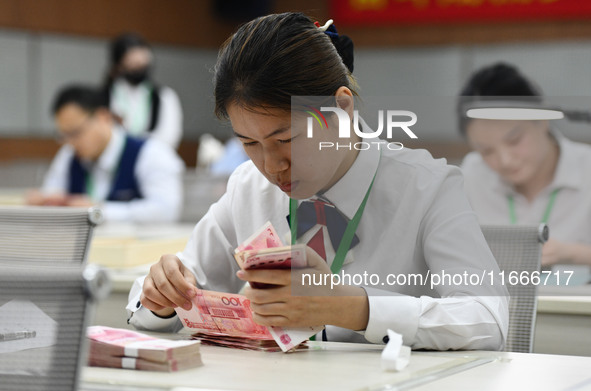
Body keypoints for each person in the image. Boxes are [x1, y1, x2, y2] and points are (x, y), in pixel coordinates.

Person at [127, 12, 508, 350]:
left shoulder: (427, 187)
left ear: (341, 109)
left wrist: (352, 306)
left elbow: (490, 319)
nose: (271, 165)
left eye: (286, 139)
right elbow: (171, 295)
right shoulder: (248, 188)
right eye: (249, 143)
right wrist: (161, 296)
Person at [459, 62, 591, 268]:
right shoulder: (471, 175)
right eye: (486, 151)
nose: (505, 160)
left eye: (515, 140)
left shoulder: (587, 169)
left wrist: (573, 254)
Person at [27, 85, 185, 223]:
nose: (70, 142)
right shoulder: (68, 154)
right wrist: (46, 202)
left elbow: (165, 211)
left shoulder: (151, 152)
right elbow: (53, 192)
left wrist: (101, 211)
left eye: (75, 132)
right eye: (63, 135)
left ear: (103, 117)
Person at [103, 33, 183, 149]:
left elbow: (170, 137)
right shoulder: (105, 96)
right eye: (133, 64)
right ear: (119, 66)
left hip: (153, 161)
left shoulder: (164, 97)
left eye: (143, 65)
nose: (139, 69)